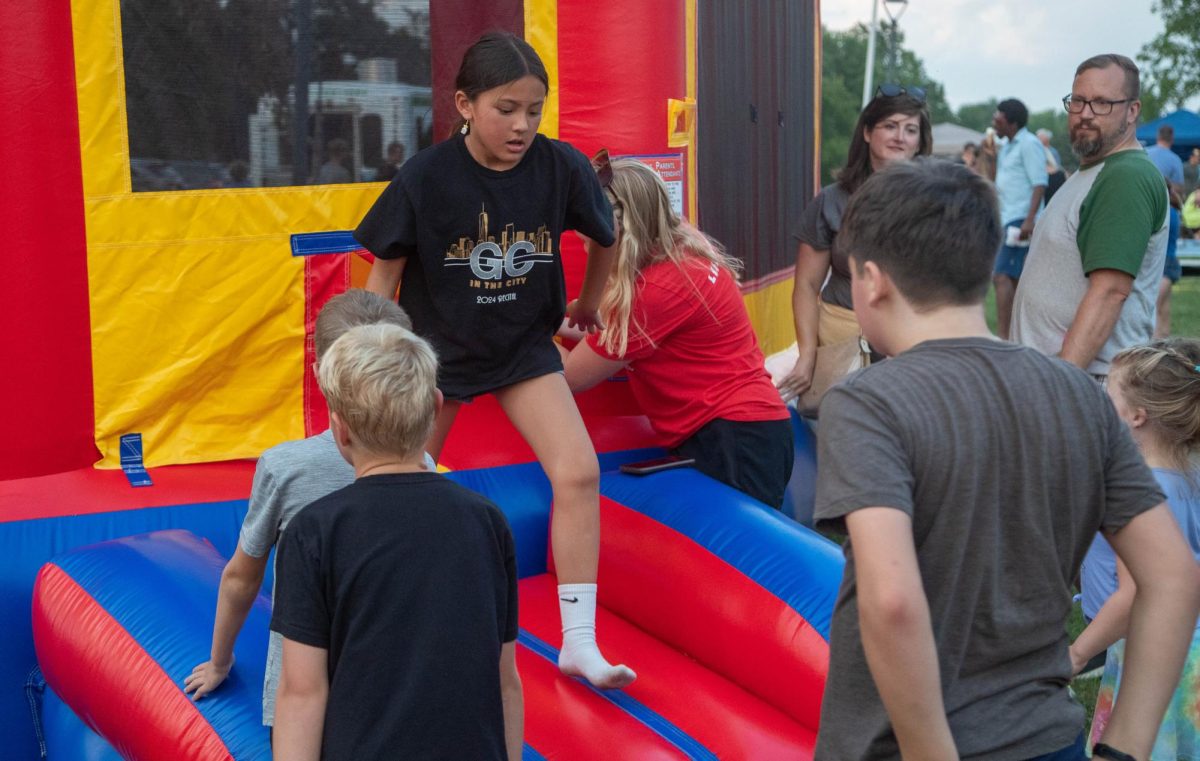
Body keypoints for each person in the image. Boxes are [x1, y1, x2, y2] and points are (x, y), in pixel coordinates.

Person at [813, 158, 1200, 760]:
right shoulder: (1080, 395)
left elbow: (890, 601)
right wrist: (1124, 749)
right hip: (1048, 737)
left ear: (871, 280)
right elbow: (1173, 576)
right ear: (985, 264)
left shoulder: (868, 402)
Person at [354, 31, 633, 689]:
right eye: (507, 108)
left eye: (535, 110)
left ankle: (580, 641)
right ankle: (380, 625)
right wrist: (379, 356)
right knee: (394, 489)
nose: (523, 125)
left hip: (521, 349)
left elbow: (607, 236)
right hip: (436, 356)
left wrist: (589, 304)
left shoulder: (559, 166)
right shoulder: (425, 178)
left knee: (579, 472)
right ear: (464, 104)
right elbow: (382, 273)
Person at [182, 289, 436, 726]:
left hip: (303, 691)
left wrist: (220, 661)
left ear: (320, 373)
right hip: (397, 685)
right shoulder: (424, 466)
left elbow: (242, 577)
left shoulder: (286, 467)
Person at [271, 323, 523, 760]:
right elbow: (504, 679)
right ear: (435, 408)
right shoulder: (486, 521)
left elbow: (301, 691)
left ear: (340, 430)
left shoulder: (314, 532)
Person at [561, 157, 793, 508]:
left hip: (732, 436)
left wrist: (515, 333)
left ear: (620, 233)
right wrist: (548, 319)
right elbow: (611, 335)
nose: (586, 251)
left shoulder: (656, 292)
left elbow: (569, 377)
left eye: (589, 242)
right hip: (744, 429)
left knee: (729, 556)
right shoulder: (682, 257)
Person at [1068, 339, 1200, 758]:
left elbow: (1135, 596)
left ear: (1137, 417)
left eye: (1109, 395)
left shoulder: (1142, 493)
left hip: (1155, 654)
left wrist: (1075, 654)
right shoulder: (1189, 474)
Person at [1012, 54, 1170, 381]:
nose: (1085, 114)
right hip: (1056, 380)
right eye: (1078, 101)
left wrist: (1059, 388)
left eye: (1101, 103)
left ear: (1132, 110)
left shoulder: (1125, 176)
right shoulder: (1092, 173)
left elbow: (1110, 292)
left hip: (1086, 386)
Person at [776, 84, 931, 401]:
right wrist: (807, 354)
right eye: (890, 126)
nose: (900, 137)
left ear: (920, 142)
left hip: (909, 344)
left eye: (910, 129)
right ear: (866, 133)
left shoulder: (935, 204)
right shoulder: (831, 202)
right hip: (840, 341)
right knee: (835, 435)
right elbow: (806, 286)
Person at [989, 98, 1048, 340]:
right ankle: (1016, 334)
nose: (994, 121)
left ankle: (1005, 337)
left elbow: (1039, 183)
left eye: (998, 117)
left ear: (1011, 122)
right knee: (1013, 279)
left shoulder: (1029, 144)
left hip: (1020, 220)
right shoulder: (1008, 146)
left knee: (1001, 275)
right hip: (1006, 217)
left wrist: (1029, 219)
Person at [1156, 185, 1183, 339]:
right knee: (1164, 311)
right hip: (1171, 262)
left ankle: (1155, 348)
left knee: (1155, 308)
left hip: (1164, 264)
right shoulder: (1173, 211)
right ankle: (1164, 345)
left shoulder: (1164, 212)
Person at [1146, 124, 1185, 195]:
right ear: (1172, 139)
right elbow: (1179, 188)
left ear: (1158, 137)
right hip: (1162, 202)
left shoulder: (1143, 152)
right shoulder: (1175, 159)